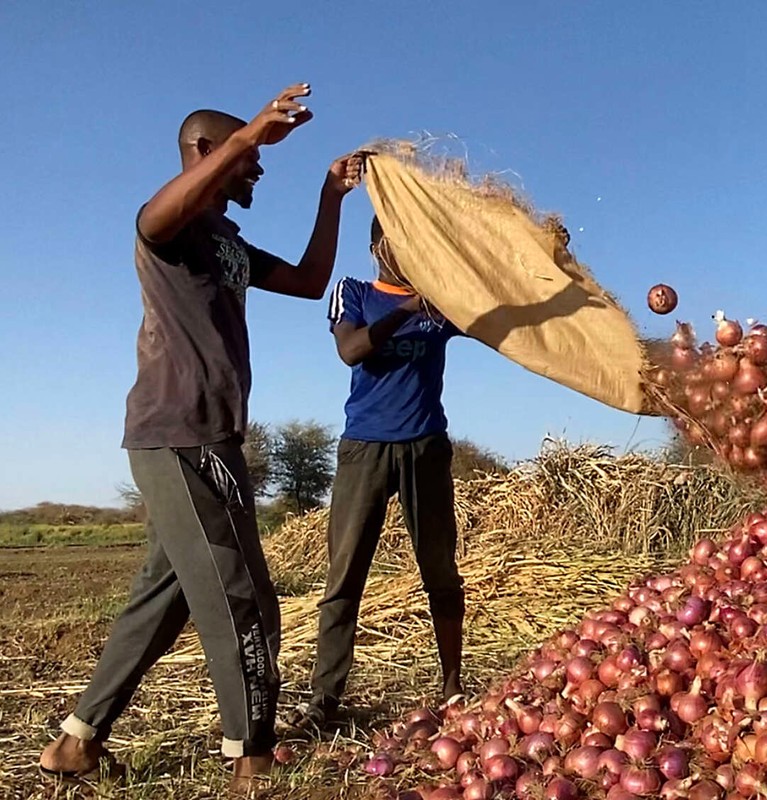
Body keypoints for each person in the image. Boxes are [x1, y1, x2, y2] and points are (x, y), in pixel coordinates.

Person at [37, 83, 364, 794]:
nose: (257, 172)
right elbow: (152, 215)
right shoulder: (170, 229)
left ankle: (76, 741)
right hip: (177, 434)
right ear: (206, 153)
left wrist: (331, 198)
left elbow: (311, 283)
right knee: (241, 595)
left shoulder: (227, 242)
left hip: (212, 437)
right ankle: (249, 758)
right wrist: (251, 135)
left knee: (172, 591)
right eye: (245, 160)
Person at [287, 215, 466, 730]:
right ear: (377, 246)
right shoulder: (355, 291)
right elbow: (352, 349)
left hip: (426, 447)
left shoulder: (444, 303)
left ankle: (452, 684)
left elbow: (503, 319)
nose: (408, 249)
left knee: (440, 569)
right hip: (365, 449)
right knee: (345, 575)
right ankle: (325, 699)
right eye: (398, 239)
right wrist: (411, 306)